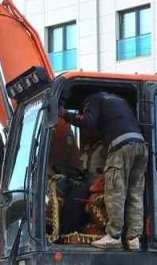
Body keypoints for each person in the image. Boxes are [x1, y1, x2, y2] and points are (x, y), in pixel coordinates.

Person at [62, 91, 148, 250]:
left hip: (121, 146)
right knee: (135, 193)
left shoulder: (92, 98)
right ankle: (134, 237)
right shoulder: (119, 100)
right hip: (141, 146)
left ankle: (114, 236)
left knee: (115, 190)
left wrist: (66, 115)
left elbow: (88, 121)